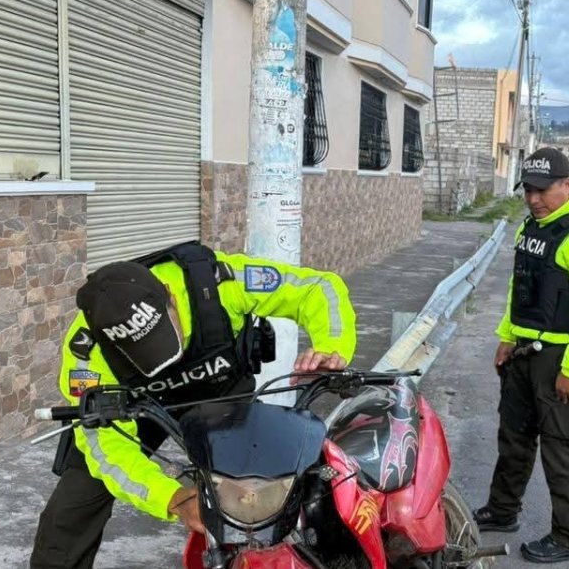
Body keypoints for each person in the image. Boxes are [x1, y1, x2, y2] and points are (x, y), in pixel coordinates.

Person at [29, 241, 356, 568]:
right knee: (69, 511)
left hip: (218, 395)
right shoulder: (86, 357)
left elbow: (316, 288)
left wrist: (332, 347)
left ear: (170, 295)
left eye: (163, 338)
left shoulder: (216, 281)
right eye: (142, 352)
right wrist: (173, 498)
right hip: (138, 406)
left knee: (261, 493)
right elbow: (107, 450)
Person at [472, 147, 569, 564]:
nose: (534, 198)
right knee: (514, 437)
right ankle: (502, 511)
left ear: (567, 186)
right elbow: (520, 289)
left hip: (561, 357)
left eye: (543, 191)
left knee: (564, 449)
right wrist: (506, 336)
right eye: (528, 190)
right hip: (523, 353)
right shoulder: (532, 227)